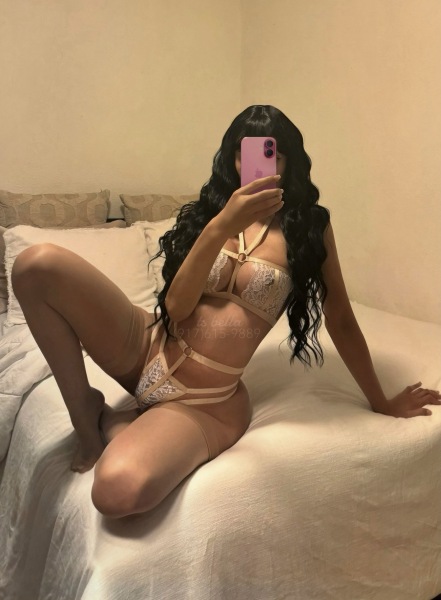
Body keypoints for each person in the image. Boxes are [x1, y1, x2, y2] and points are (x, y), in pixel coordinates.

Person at [11, 105, 440, 519]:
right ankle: (86, 423)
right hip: (146, 346)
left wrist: (380, 401)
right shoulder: (210, 213)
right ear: (232, 156)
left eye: (272, 153)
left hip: (206, 401)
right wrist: (220, 226)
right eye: (244, 152)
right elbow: (177, 307)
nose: (256, 164)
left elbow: (341, 318)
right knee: (36, 265)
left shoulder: (309, 226)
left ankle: (112, 420)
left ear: (289, 160)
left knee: (116, 491)